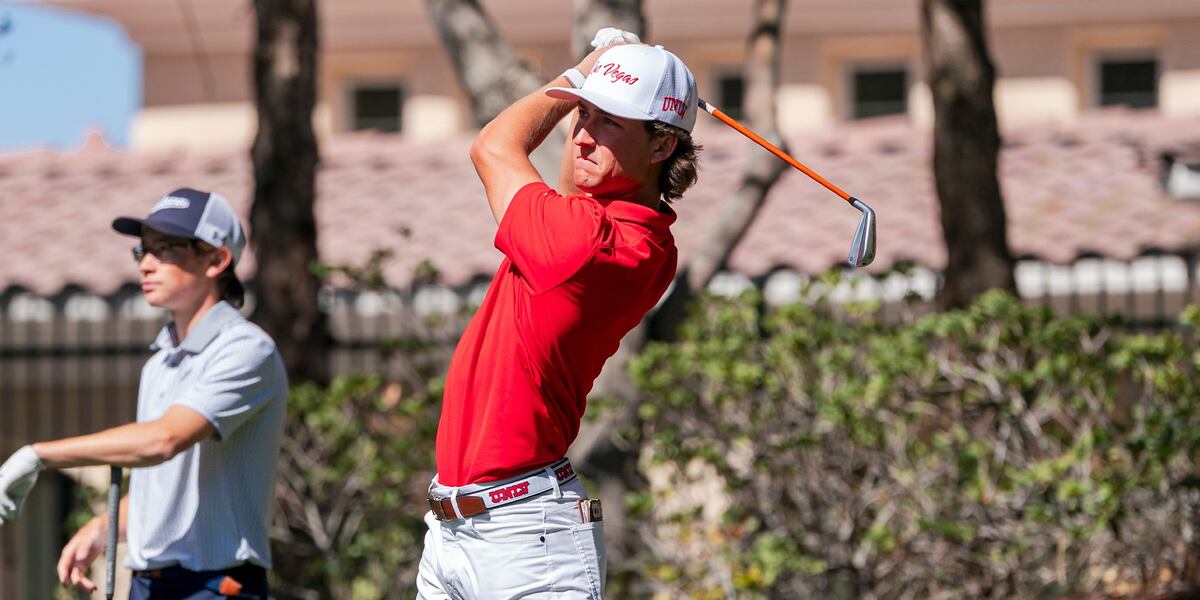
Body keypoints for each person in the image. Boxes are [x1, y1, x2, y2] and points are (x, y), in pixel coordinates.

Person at [416, 34, 702, 599]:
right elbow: (575, 181)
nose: (584, 137)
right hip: (456, 530)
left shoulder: (587, 242)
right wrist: (605, 86)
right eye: (584, 116)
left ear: (663, 146)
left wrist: (582, 73)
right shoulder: (634, 234)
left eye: (611, 124)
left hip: (527, 539)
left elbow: (493, 146)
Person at [0, 188, 287, 599]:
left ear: (217, 259)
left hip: (216, 587)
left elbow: (162, 441)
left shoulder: (246, 349)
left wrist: (39, 455)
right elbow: (163, 488)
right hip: (147, 585)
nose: (147, 265)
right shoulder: (160, 363)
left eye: (167, 250)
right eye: (143, 251)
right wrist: (105, 527)